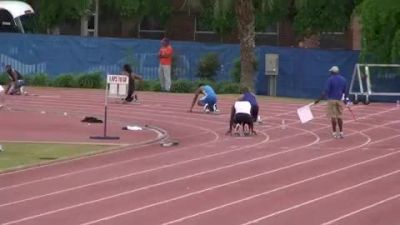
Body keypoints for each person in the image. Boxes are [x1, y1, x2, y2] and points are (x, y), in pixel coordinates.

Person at [315, 66, 348, 139]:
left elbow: (326, 91)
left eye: (331, 72)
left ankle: (334, 133)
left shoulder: (330, 79)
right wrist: (346, 99)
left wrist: (319, 99)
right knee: (339, 116)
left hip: (331, 100)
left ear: (332, 72)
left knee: (333, 117)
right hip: (339, 100)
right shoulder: (343, 79)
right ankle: (341, 133)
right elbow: (345, 91)